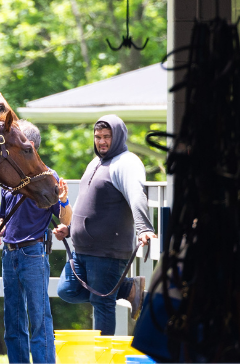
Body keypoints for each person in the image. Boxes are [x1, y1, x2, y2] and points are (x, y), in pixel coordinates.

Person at [56, 115, 153, 334]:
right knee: (66, 290)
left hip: (107, 251)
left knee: (102, 303)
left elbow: (137, 195)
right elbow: (86, 204)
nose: (101, 141)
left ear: (118, 136)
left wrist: (144, 227)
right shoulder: (96, 163)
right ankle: (128, 288)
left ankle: (103, 357)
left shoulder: (126, 162)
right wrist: (70, 230)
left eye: (107, 137)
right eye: (98, 136)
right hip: (82, 250)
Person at [0, 119, 72, 364]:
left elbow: (65, 218)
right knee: (13, 321)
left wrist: (65, 201)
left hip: (33, 253)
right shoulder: (11, 178)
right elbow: (4, 217)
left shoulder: (49, 178)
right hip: (10, 253)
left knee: (39, 318)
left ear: (31, 148)